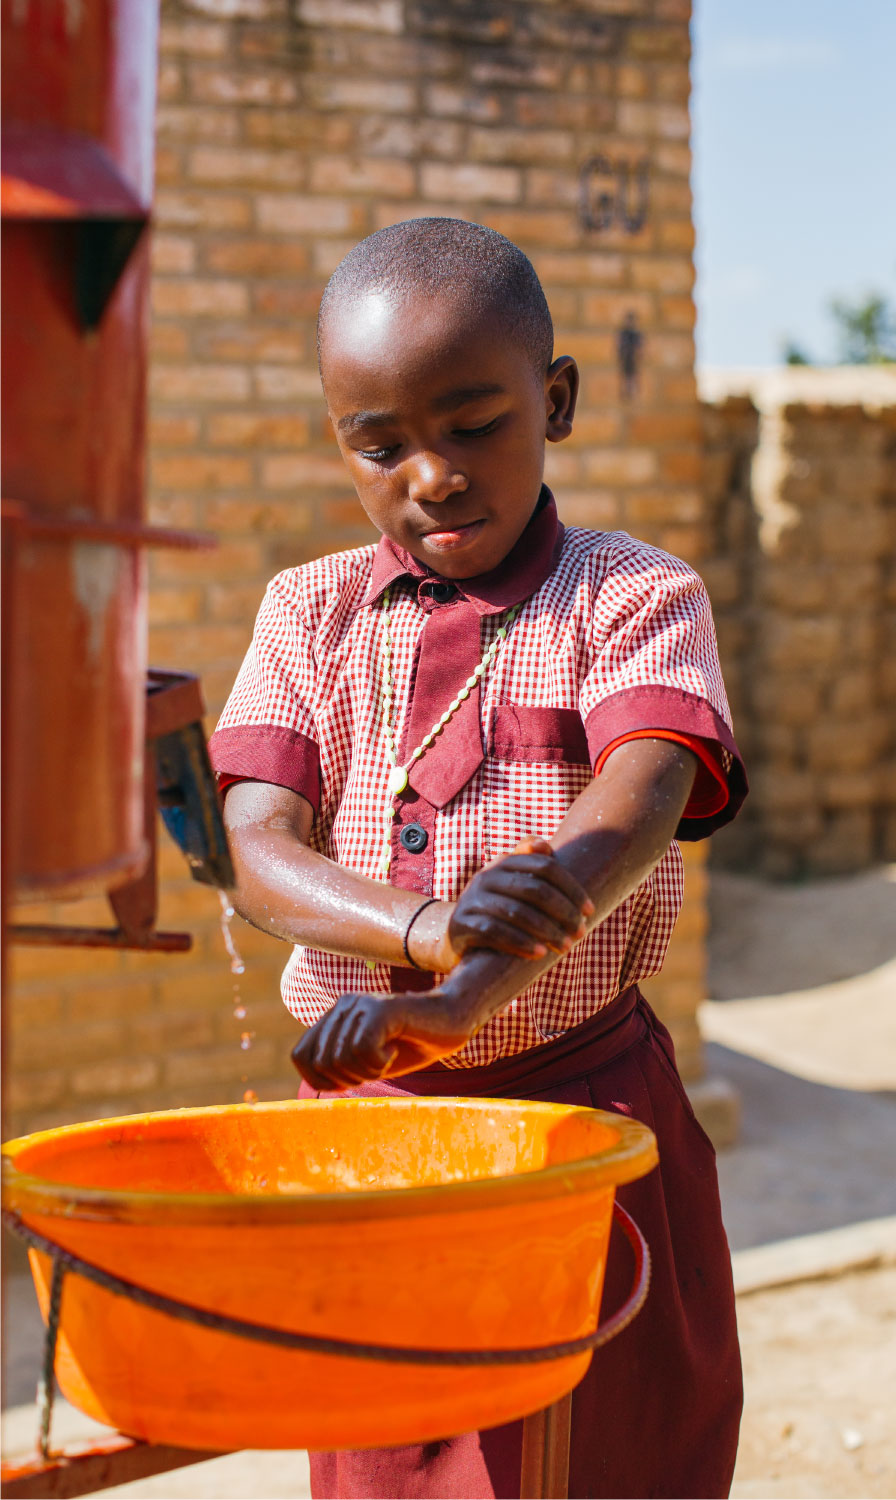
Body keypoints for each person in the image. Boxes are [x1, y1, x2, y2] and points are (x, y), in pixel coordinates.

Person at [209, 217, 747, 1500]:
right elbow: (252, 846)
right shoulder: (307, 613)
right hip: (380, 1146)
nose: (433, 476)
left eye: (473, 423)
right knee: (399, 1453)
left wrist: (462, 1005)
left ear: (552, 401)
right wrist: (423, 937)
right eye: (380, 443)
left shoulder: (633, 599)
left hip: (589, 1121)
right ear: (340, 441)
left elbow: (640, 795)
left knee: (607, 1445)